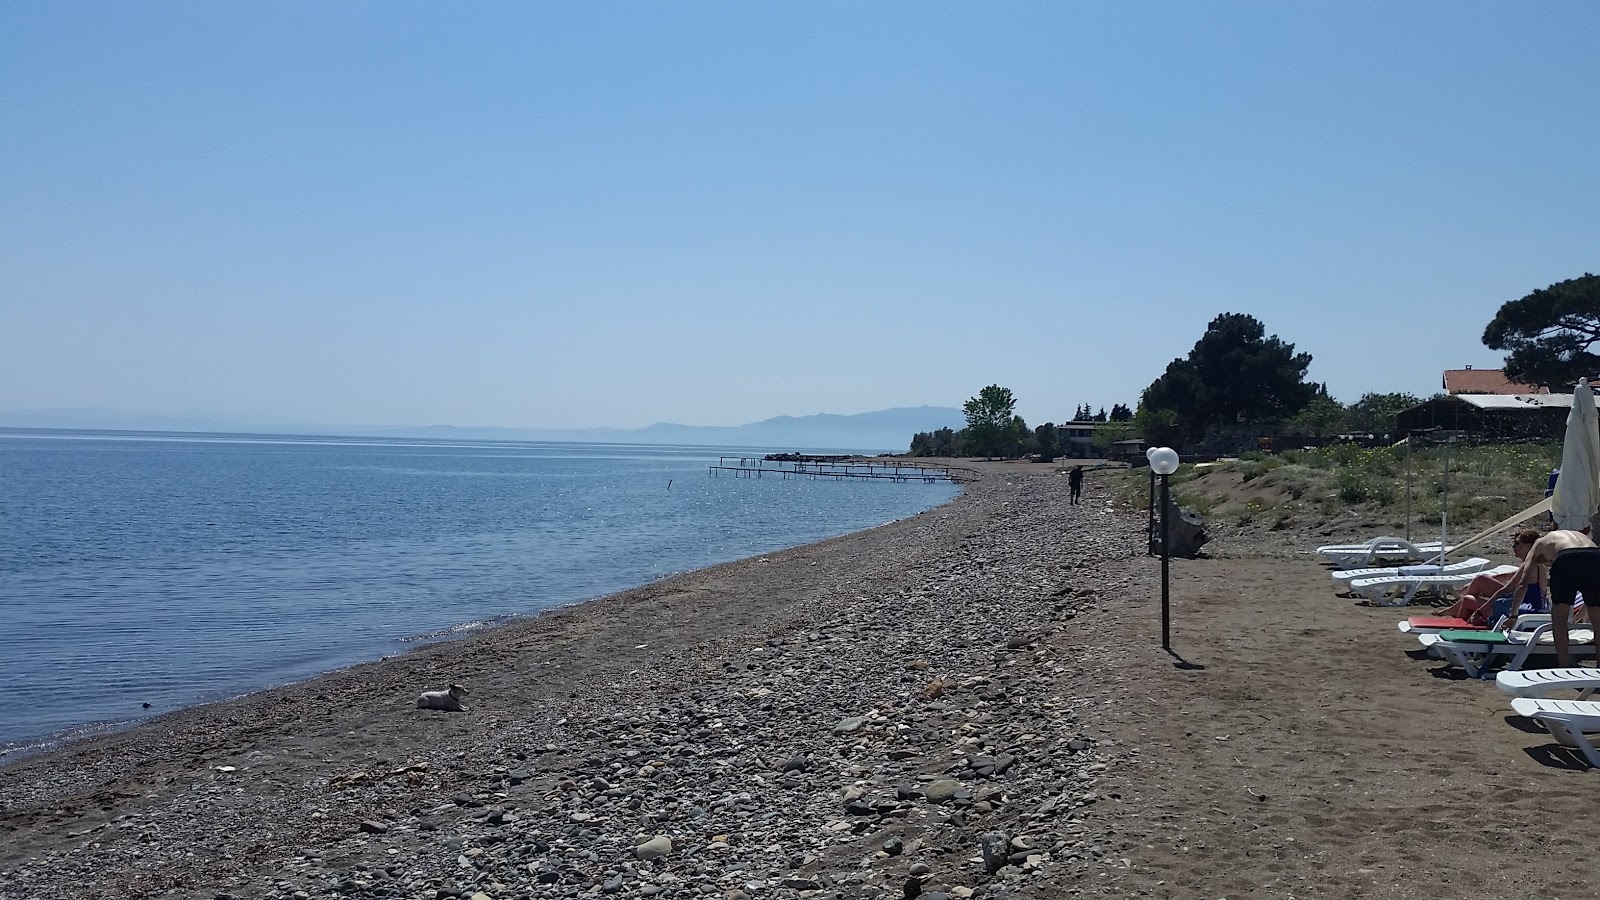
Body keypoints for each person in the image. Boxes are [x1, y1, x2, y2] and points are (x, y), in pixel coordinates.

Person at [1491, 529, 1599, 666]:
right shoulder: (1572, 537)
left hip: (1567, 557)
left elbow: (1522, 584)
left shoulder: (1539, 544)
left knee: (1559, 619)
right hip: (1595, 555)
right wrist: (1583, 611)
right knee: (1598, 622)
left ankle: (1564, 665)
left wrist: (1513, 616)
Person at [1436, 529, 1542, 625]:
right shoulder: (1536, 564)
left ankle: (1460, 627)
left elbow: (1505, 590)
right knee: (1479, 581)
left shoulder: (1530, 566)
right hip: (1522, 605)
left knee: (1468, 599)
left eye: (1517, 543)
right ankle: (1459, 618)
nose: (1513, 547)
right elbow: (1507, 576)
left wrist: (1481, 610)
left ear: (1529, 546)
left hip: (1519, 609)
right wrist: (1473, 584)